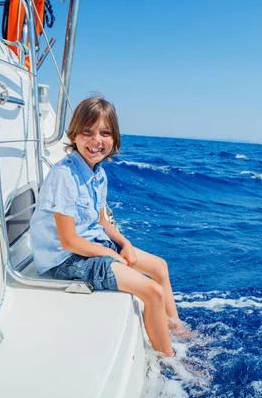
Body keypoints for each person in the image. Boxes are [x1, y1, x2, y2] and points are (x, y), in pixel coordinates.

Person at [30, 96, 182, 356]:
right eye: (87, 132)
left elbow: (100, 221)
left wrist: (125, 244)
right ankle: (170, 359)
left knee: (160, 267)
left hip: (89, 245)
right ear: (74, 135)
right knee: (152, 292)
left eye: (105, 133)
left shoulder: (97, 173)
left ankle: (177, 331)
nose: (96, 140)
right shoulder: (64, 176)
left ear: (114, 139)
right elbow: (68, 241)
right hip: (65, 260)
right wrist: (112, 255)